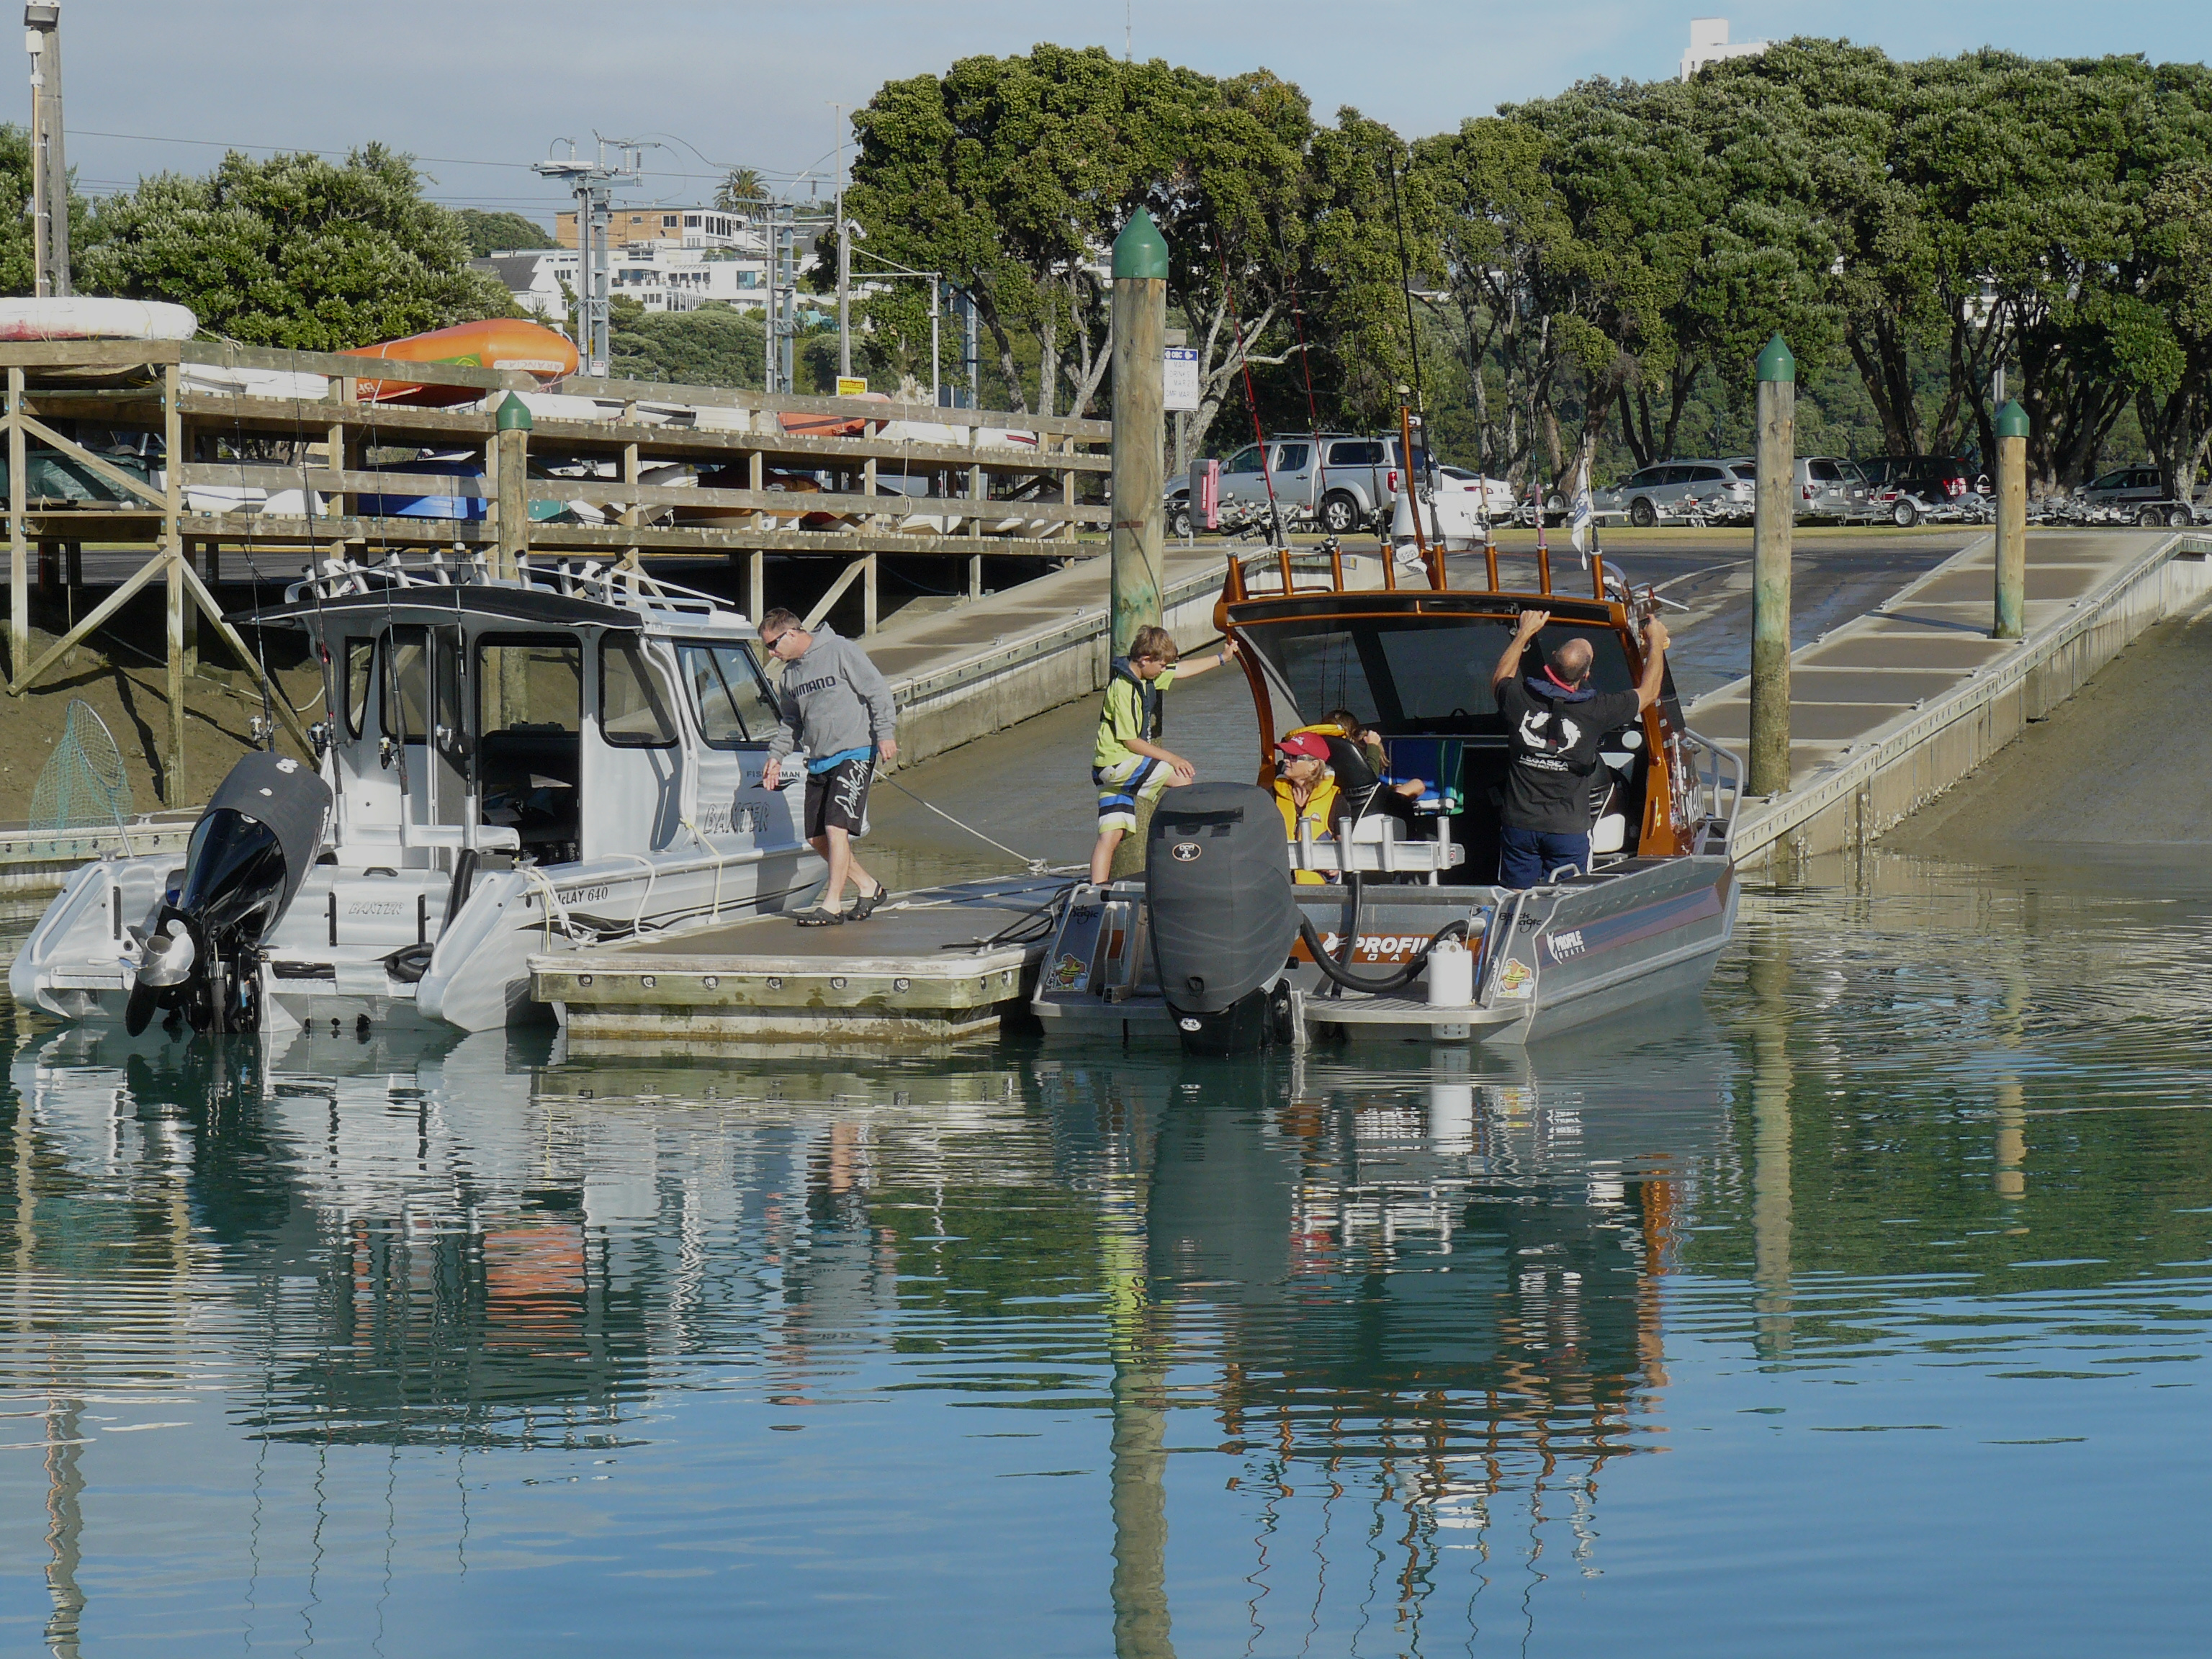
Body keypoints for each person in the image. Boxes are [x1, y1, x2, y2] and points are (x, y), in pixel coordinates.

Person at [1490, 608, 1670, 888]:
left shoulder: (1518, 699)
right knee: (1570, 897)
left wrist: (1524, 632)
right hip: (1568, 832)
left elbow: (1501, 677)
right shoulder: (1596, 711)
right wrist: (1655, 641)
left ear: (1550, 664)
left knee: (1513, 897)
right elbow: (1649, 692)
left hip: (1520, 826)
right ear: (1587, 675)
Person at [758, 608, 899, 925]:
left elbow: (876, 690)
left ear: (792, 633)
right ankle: (868, 886)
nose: (771, 652)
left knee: (837, 828)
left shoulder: (840, 650)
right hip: (820, 758)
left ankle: (832, 904)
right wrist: (776, 756)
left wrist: (885, 734)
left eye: (773, 644)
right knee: (817, 838)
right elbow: (790, 722)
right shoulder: (790, 675)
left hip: (855, 751)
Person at [1088, 624, 1240, 884]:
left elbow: (1180, 670)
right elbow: (1131, 741)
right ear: (1145, 659)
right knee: (1182, 780)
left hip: (1106, 769)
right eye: (1160, 665)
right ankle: (1180, 853)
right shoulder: (1123, 689)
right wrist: (1172, 758)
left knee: (1110, 836)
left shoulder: (1144, 676)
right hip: (1117, 762)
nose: (1163, 671)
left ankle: (1097, 893)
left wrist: (1221, 659)